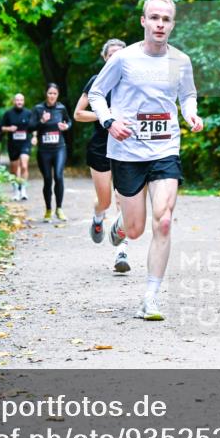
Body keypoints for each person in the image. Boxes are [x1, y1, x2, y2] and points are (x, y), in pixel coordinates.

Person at [88, 0, 204, 320]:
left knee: (164, 220)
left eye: (166, 19)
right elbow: (96, 93)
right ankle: (123, 222)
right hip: (127, 151)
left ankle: (150, 298)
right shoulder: (124, 59)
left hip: (165, 148)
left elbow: (188, 94)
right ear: (143, 21)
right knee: (137, 230)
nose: (160, 24)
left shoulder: (181, 61)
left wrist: (191, 114)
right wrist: (109, 121)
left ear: (172, 24)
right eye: (154, 18)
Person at [74, 38, 130, 273]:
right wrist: (105, 115)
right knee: (106, 201)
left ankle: (121, 252)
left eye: (120, 55)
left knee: (123, 200)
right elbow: (78, 114)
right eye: (111, 55)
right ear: (105, 58)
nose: (115, 59)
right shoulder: (96, 82)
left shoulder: (132, 82)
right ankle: (98, 216)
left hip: (126, 146)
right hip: (100, 147)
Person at [33, 83, 71, 221]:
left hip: (59, 148)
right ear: (46, 94)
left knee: (59, 177)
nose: (52, 96)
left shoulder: (61, 108)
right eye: (50, 93)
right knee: (48, 180)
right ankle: (48, 209)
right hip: (44, 151)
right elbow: (30, 126)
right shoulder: (38, 109)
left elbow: (69, 121)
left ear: (58, 95)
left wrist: (66, 126)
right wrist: (42, 121)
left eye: (55, 93)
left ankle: (59, 209)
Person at [0, 93, 36, 201]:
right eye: (17, 100)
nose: (19, 102)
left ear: (23, 101)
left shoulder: (28, 113)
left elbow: (34, 127)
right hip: (13, 144)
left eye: (21, 100)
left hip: (25, 142)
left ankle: (23, 189)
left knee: (24, 165)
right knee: (14, 168)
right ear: (14, 101)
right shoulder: (8, 114)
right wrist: (9, 129)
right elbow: (1, 128)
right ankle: (16, 190)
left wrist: (34, 137)